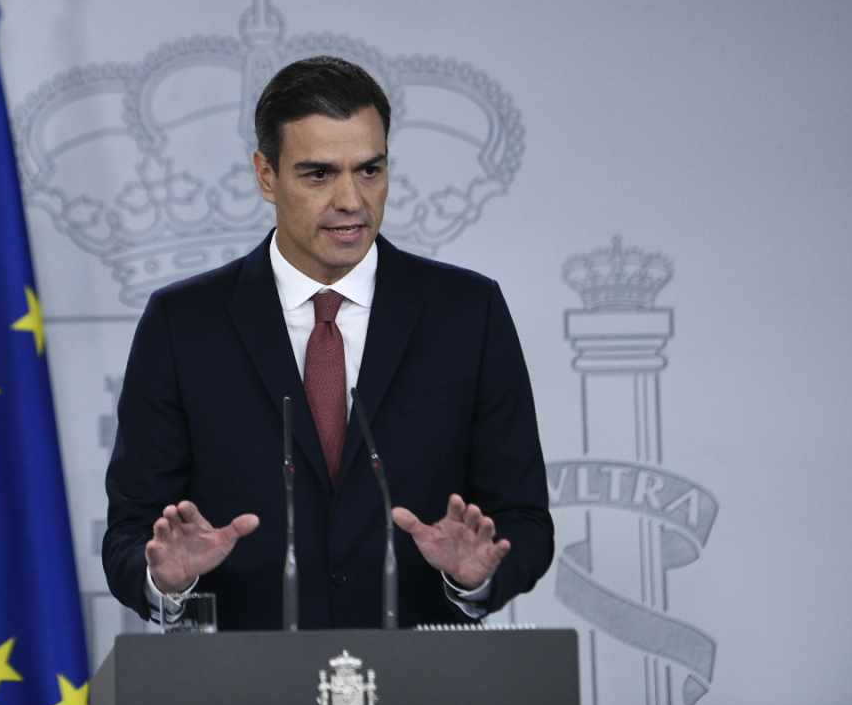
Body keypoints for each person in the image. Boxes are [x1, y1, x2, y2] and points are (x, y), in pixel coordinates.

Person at [102, 55, 553, 630]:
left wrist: (477, 574)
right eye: (319, 174)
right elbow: (130, 530)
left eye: (370, 170)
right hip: (244, 694)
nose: (351, 201)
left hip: (421, 692)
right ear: (266, 175)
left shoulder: (467, 313)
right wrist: (167, 577)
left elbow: (525, 521)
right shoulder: (184, 322)